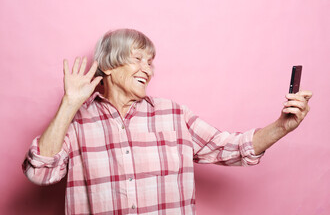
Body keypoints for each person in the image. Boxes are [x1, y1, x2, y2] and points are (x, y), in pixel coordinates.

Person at [23, 29, 312, 215]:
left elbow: (232, 147)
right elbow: (39, 173)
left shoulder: (174, 115)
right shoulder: (76, 122)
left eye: (150, 62)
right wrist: (69, 105)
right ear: (109, 66)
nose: (147, 70)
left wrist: (281, 127)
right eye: (138, 59)